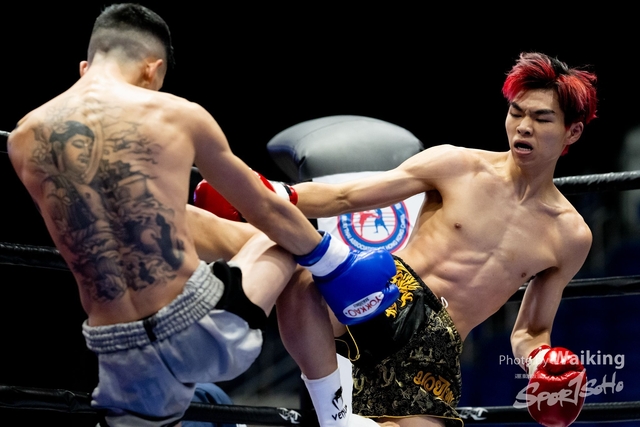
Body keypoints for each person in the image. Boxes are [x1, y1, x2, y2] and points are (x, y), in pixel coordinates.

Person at [6, 4, 398, 426]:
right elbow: (267, 208)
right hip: (199, 329)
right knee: (284, 236)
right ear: (152, 70)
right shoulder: (177, 115)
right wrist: (336, 263)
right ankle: (335, 418)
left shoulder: (22, 139)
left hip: (115, 349)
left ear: (85, 67)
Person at [273, 52, 597, 427]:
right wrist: (272, 196)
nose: (523, 127)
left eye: (541, 118)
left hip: (436, 348)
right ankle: (331, 414)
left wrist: (541, 362)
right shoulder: (456, 165)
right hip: (386, 298)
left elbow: (531, 331)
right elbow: (344, 197)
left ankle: (338, 421)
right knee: (301, 279)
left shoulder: (570, 236)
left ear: (573, 131)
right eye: (516, 112)